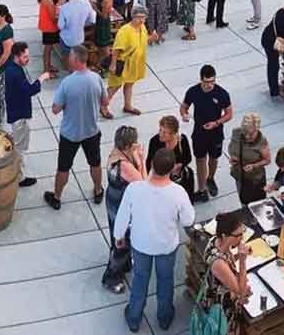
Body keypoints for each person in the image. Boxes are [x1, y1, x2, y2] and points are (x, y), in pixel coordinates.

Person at [114, 148, 195, 333]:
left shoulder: (135, 189)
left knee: (140, 280)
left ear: (151, 165)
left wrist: (119, 237)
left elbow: (122, 217)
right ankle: (165, 318)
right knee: (165, 280)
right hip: (166, 246)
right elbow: (188, 220)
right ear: (172, 169)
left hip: (141, 244)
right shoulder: (178, 192)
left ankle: (134, 318)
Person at [45, 46, 109, 210]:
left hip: (70, 134)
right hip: (91, 131)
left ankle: (57, 197)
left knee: (64, 167)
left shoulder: (67, 83)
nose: (68, 60)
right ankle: (97, 190)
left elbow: (55, 109)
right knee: (95, 163)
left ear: (75, 60)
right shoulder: (96, 79)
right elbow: (105, 102)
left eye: (70, 57)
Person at [103, 125, 146, 293]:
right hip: (122, 206)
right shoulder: (125, 166)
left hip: (113, 199)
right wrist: (141, 160)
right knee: (122, 242)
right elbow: (142, 184)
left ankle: (124, 263)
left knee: (117, 235)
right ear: (128, 145)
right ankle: (112, 276)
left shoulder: (115, 154)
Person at [3, 41, 52, 188]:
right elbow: (30, 90)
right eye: (25, 57)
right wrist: (41, 78)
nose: (27, 59)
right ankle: (19, 177)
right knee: (20, 148)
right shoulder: (16, 73)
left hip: (14, 110)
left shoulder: (12, 68)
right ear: (17, 57)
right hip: (19, 115)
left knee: (17, 143)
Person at [181, 64, 233, 202]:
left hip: (216, 133)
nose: (210, 85)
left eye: (212, 81)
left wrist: (216, 123)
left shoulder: (222, 94)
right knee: (200, 159)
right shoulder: (193, 91)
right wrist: (184, 114)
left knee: (214, 158)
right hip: (199, 132)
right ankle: (202, 189)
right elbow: (184, 106)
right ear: (201, 80)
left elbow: (229, 114)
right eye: (207, 82)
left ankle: (210, 178)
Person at [196, 209, 251, 333]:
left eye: (243, 232)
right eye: (238, 235)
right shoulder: (218, 263)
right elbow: (240, 291)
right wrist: (242, 260)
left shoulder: (216, 241)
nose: (242, 238)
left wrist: (237, 256)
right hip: (220, 306)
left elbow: (227, 260)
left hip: (220, 292)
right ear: (225, 236)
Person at [107, 6, 149, 116]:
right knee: (114, 86)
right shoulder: (124, 31)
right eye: (139, 17)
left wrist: (151, 38)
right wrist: (113, 64)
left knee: (129, 84)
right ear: (133, 17)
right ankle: (103, 106)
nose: (141, 20)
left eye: (143, 17)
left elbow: (142, 42)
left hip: (134, 64)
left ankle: (127, 106)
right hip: (122, 63)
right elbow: (116, 49)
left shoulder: (142, 27)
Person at [227, 112, 272, 204]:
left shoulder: (261, 141)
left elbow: (267, 160)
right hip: (239, 175)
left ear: (257, 129)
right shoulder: (236, 133)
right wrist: (233, 157)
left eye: (250, 134)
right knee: (243, 201)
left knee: (258, 204)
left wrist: (254, 165)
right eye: (245, 132)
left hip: (255, 180)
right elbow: (232, 148)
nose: (247, 136)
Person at [147, 114, 195, 199]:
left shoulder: (182, 140)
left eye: (164, 132)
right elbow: (149, 162)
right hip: (161, 178)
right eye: (160, 130)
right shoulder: (154, 141)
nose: (160, 134)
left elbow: (188, 158)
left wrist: (179, 166)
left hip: (178, 177)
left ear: (173, 134)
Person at [57, 0, 94, 64]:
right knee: (77, 60)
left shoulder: (64, 8)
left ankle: (69, 72)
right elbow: (90, 20)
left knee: (66, 60)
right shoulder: (87, 4)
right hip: (79, 38)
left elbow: (60, 26)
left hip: (67, 39)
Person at [38, 0, 62, 75]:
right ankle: (46, 70)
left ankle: (48, 65)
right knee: (48, 49)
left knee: (50, 48)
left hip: (47, 26)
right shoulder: (48, 0)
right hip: (49, 27)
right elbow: (53, 17)